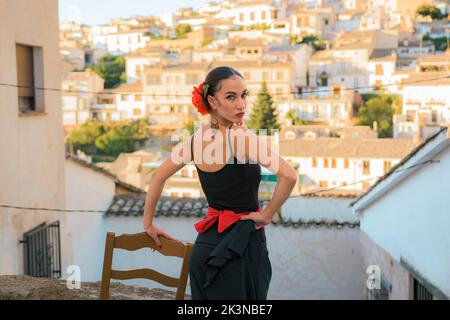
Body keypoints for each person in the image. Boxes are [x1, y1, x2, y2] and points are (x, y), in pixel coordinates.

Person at [142, 66, 297, 300]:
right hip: (241, 248)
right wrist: (267, 214)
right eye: (231, 97)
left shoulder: (194, 140)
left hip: (205, 248)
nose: (241, 104)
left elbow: (157, 177)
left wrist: (148, 224)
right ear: (213, 101)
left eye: (244, 95)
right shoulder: (242, 138)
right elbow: (289, 176)